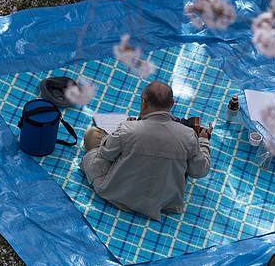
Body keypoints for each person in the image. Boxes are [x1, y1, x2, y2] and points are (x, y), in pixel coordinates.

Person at [80, 81, 213, 221]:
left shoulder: (128, 129)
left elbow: (107, 153)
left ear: (143, 103)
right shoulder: (188, 135)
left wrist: (127, 128)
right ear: (172, 103)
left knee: (93, 134)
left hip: (118, 194)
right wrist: (203, 141)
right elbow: (199, 171)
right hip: (166, 202)